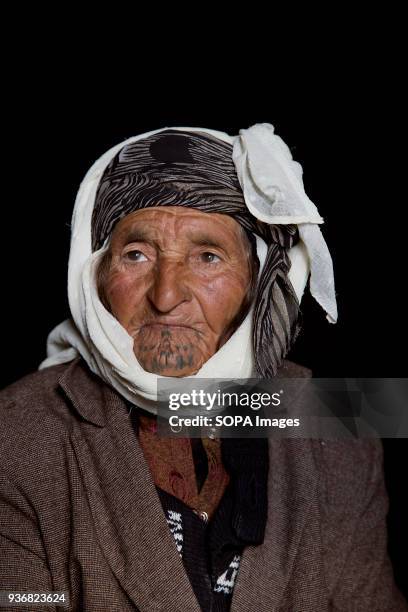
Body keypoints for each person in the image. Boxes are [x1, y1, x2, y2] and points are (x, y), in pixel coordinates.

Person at [0, 125, 405, 611]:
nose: (166, 295)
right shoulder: (18, 430)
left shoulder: (340, 423)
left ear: (258, 280)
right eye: (136, 254)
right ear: (95, 274)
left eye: (207, 257)